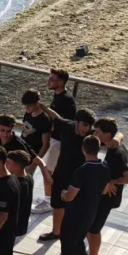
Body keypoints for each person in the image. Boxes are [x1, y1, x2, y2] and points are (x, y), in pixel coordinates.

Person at [46, 136, 110, 255]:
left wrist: (63, 194)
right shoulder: (105, 167)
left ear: (83, 149)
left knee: (68, 246)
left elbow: (70, 196)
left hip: (75, 214)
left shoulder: (82, 170)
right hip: (90, 213)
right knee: (79, 244)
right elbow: (104, 190)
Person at [38, 109, 96, 243]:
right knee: (57, 205)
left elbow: (115, 133)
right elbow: (55, 116)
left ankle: (78, 235)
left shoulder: (92, 135)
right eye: (84, 125)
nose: (87, 129)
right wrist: (41, 106)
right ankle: (56, 232)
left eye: (89, 126)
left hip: (81, 177)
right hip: (61, 174)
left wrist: (117, 139)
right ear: (76, 122)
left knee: (78, 208)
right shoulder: (67, 126)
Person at [88, 118, 128, 255]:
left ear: (107, 135)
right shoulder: (112, 144)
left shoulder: (117, 154)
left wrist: (112, 182)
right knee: (91, 227)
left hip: (108, 197)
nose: (94, 134)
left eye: (97, 132)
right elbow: (120, 134)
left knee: (94, 229)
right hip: (102, 196)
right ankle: (92, 253)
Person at [33, 69, 79, 214]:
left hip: (58, 141)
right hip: (55, 139)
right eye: (49, 78)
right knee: (47, 169)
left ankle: (49, 201)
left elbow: (62, 122)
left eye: (52, 79)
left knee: (47, 170)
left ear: (61, 82)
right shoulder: (59, 95)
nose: (49, 82)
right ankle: (48, 197)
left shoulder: (66, 100)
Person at [6, 151, 35, 239]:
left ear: (17, 166)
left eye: (8, 162)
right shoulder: (29, 177)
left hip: (12, 225)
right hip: (21, 223)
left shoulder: (14, 184)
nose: (6, 164)